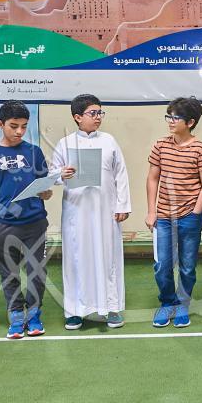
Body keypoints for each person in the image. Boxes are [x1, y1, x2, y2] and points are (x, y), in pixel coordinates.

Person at [51, 94, 132, 330]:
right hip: (76, 212)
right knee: (76, 259)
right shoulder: (65, 143)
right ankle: (75, 311)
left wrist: (123, 205)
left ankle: (112, 308)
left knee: (109, 258)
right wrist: (60, 175)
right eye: (92, 113)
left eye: (100, 113)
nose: (98, 117)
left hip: (106, 210)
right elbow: (51, 175)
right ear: (77, 117)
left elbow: (121, 174)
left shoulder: (109, 141)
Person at [0, 100, 53, 339]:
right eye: (13, 126)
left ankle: (34, 314)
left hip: (34, 223)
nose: (19, 131)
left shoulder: (34, 152)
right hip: (3, 225)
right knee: (9, 274)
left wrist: (46, 192)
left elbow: (45, 189)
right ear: (0, 124)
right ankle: (16, 316)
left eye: (24, 126)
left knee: (36, 272)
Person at [146, 97, 202, 328]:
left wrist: (196, 212)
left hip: (190, 217)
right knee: (162, 265)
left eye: (176, 117)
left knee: (187, 265)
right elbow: (152, 178)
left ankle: (183, 304)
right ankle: (168, 303)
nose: (170, 121)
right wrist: (151, 211)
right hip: (164, 217)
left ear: (190, 122)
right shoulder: (160, 145)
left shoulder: (200, 149)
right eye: (169, 116)